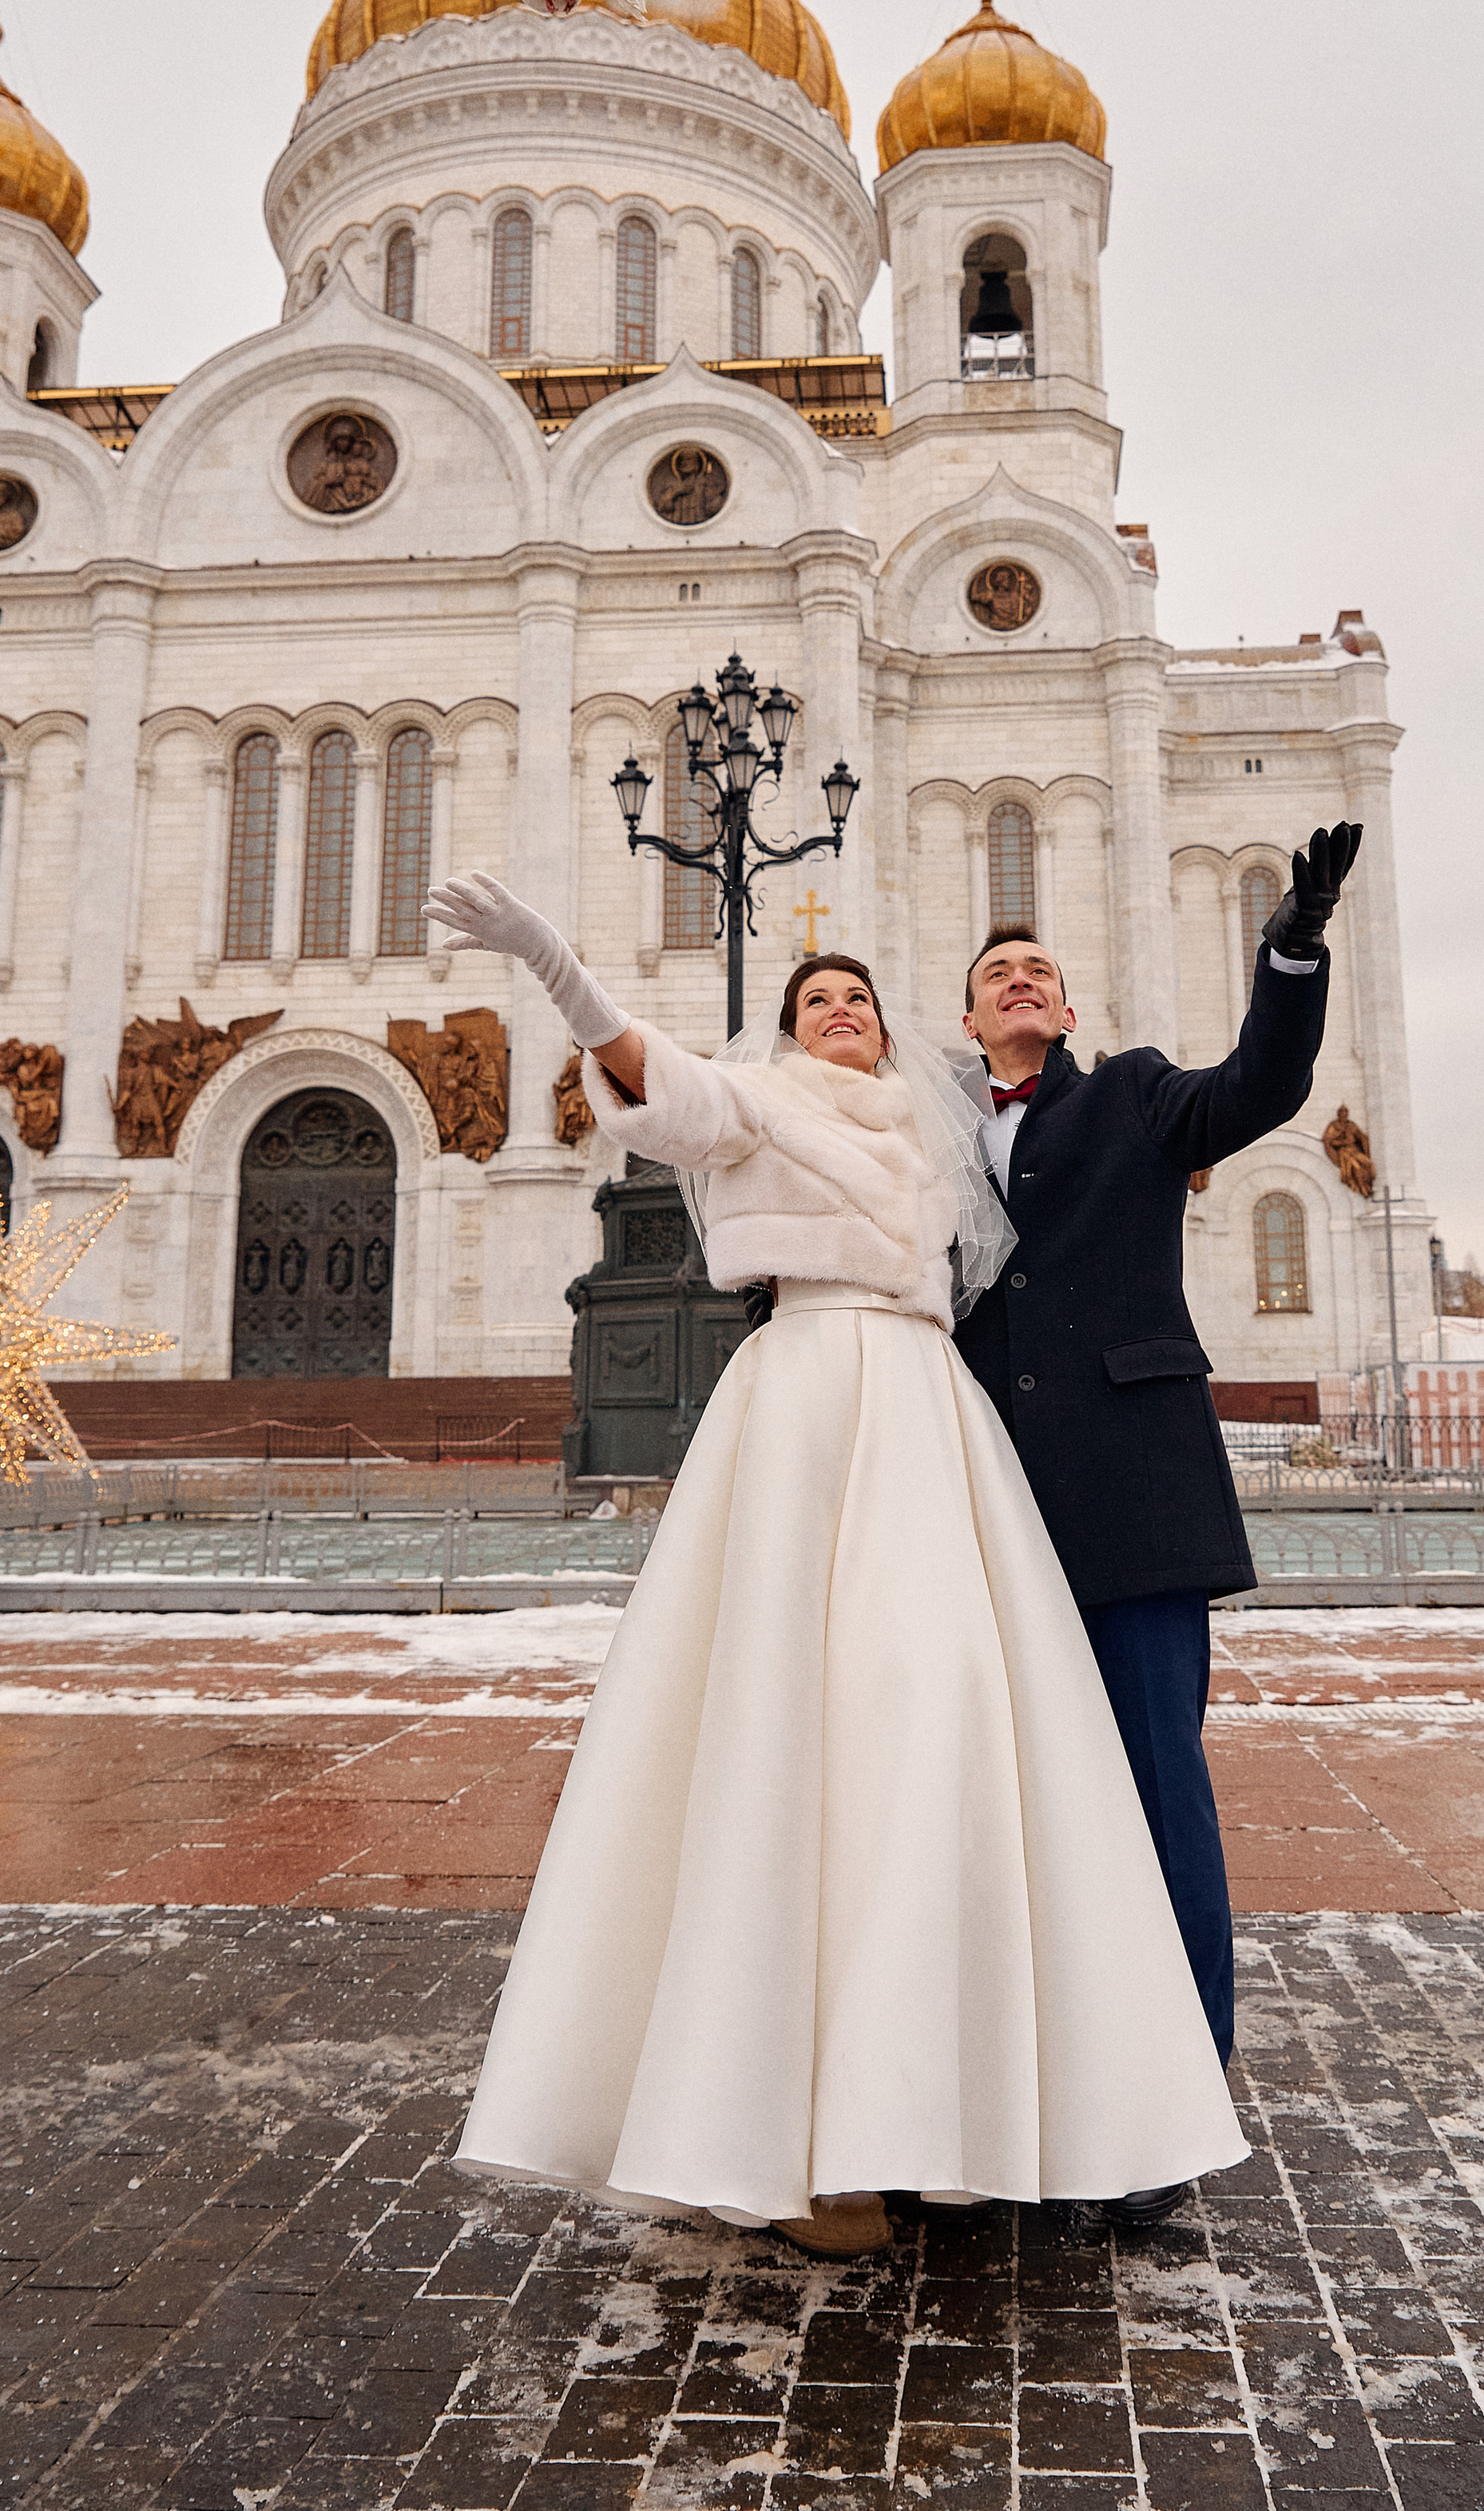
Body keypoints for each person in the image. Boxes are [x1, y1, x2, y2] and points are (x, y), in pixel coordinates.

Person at [420, 869, 1248, 2257]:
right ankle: (789, 2134)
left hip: (928, 1414)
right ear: (793, 1037)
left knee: (945, 1723)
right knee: (785, 1735)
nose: (844, 1013)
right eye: (819, 1002)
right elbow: (660, 1086)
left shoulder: (941, 1140)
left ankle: (957, 2106)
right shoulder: (762, 1109)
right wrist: (557, 964)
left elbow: (1059, 1221)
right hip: (806, 1400)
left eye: (860, 998)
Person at [954, 823, 1360, 2214]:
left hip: (1129, 1493)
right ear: (967, 1017)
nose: (1021, 980)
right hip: (986, 1511)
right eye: (998, 970)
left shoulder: (1128, 1095)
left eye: (1039, 970)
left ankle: (1173, 2109)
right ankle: (1033, 2092)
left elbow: (1261, 1083)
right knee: (1015, 1810)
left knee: (1153, 1789)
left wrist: (1292, 942)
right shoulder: (940, 1137)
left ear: (1065, 1013)